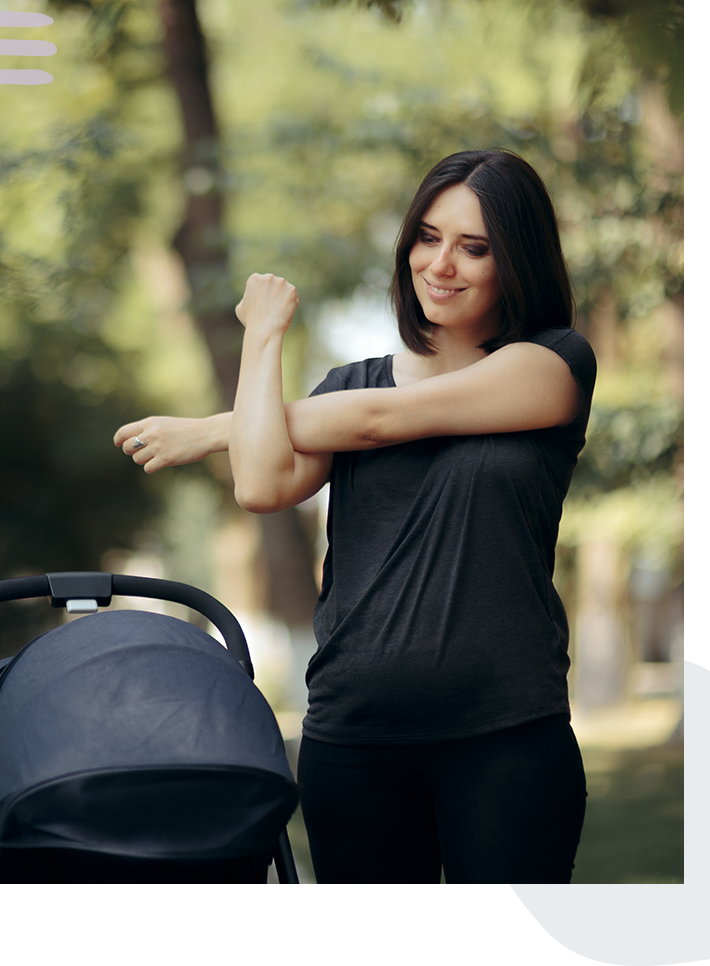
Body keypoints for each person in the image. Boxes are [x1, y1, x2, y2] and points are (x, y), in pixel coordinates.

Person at [114, 149, 596, 884]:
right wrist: (262, 334)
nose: (440, 264)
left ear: (518, 260)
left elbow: (381, 420)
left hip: (506, 735)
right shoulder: (347, 387)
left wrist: (213, 428)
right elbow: (262, 483)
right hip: (353, 739)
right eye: (427, 237)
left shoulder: (553, 364)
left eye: (474, 247)